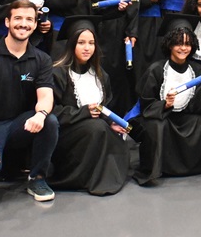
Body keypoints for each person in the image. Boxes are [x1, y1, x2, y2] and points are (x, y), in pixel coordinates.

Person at [0, 0, 59, 202]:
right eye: (18, 18)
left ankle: (37, 178)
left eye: (29, 20)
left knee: (49, 121)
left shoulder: (41, 59)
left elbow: (45, 96)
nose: (23, 24)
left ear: (35, 24)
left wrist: (41, 115)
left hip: (18, 126)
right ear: (7, 22)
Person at [47, 16, 139, 195]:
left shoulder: (100, 75)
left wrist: (110, 122)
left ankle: (101, 175)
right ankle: (86, 177)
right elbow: (51, 113)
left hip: (92, 130)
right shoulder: (58, 73)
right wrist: (84, 112)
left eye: (91, 43)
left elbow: (103, 108)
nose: (87, 48)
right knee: (97, 128)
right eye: (81, 42)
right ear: (71, 44)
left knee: (111, 133)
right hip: (66, 134)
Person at [134, 14, 201, 185]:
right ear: (169, 44)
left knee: (200, 122)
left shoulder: (197, 69)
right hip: (162, 116)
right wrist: (165, 104)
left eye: (187, 44)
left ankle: (192, 167)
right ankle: (158, 168)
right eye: (178, 43)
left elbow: (200, 107)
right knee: (156, 126)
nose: (183, 48)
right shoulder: (156, 70)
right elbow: (146, 105)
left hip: (186, 116)